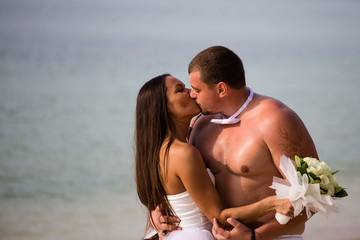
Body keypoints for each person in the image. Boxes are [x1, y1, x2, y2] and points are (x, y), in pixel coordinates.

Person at [151, 46, 318, 240]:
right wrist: (158, 214)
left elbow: (314, 196)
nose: (192, 95)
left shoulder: (275, 120)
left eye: (197, 89)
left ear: (221, 89)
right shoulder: (201, 124)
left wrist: (255, 236)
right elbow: (179, 177)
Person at [135, 74, 294, 240]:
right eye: (181, 90)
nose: (191, 93)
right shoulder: (183, 153)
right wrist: (272, 203)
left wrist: (154, 216)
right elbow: (218, 216)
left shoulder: (159, 152)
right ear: (163, 107)